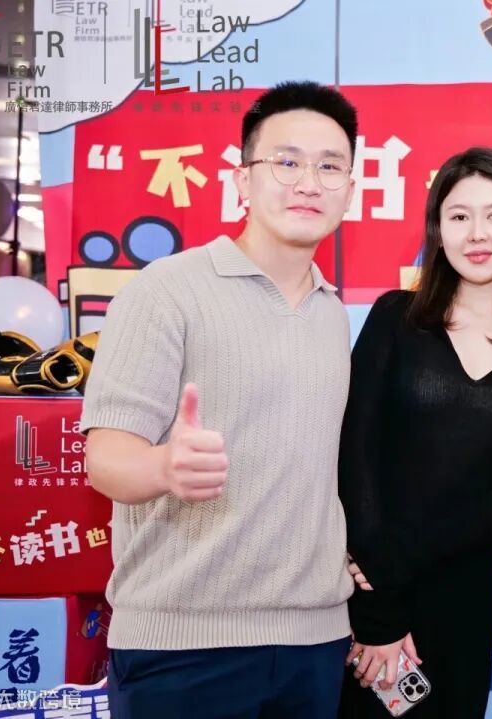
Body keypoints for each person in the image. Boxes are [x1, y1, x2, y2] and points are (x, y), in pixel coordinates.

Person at [81, 80, 360, 719]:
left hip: (314, 641)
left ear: (350, 189)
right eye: (286, 162)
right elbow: (106, 459)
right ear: (242, 180)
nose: (308, 183)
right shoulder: (165, 290)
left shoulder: (331, 312)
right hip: (182, 648)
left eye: (329, 167)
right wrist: (162, 466)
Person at [337, 147, 492, 719]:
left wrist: (404, 556)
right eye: (459, 216)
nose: (477, 233)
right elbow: (354, 454)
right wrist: (380, 603)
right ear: (438, 231)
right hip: (366, 586)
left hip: (462, 591)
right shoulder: (396, 318)